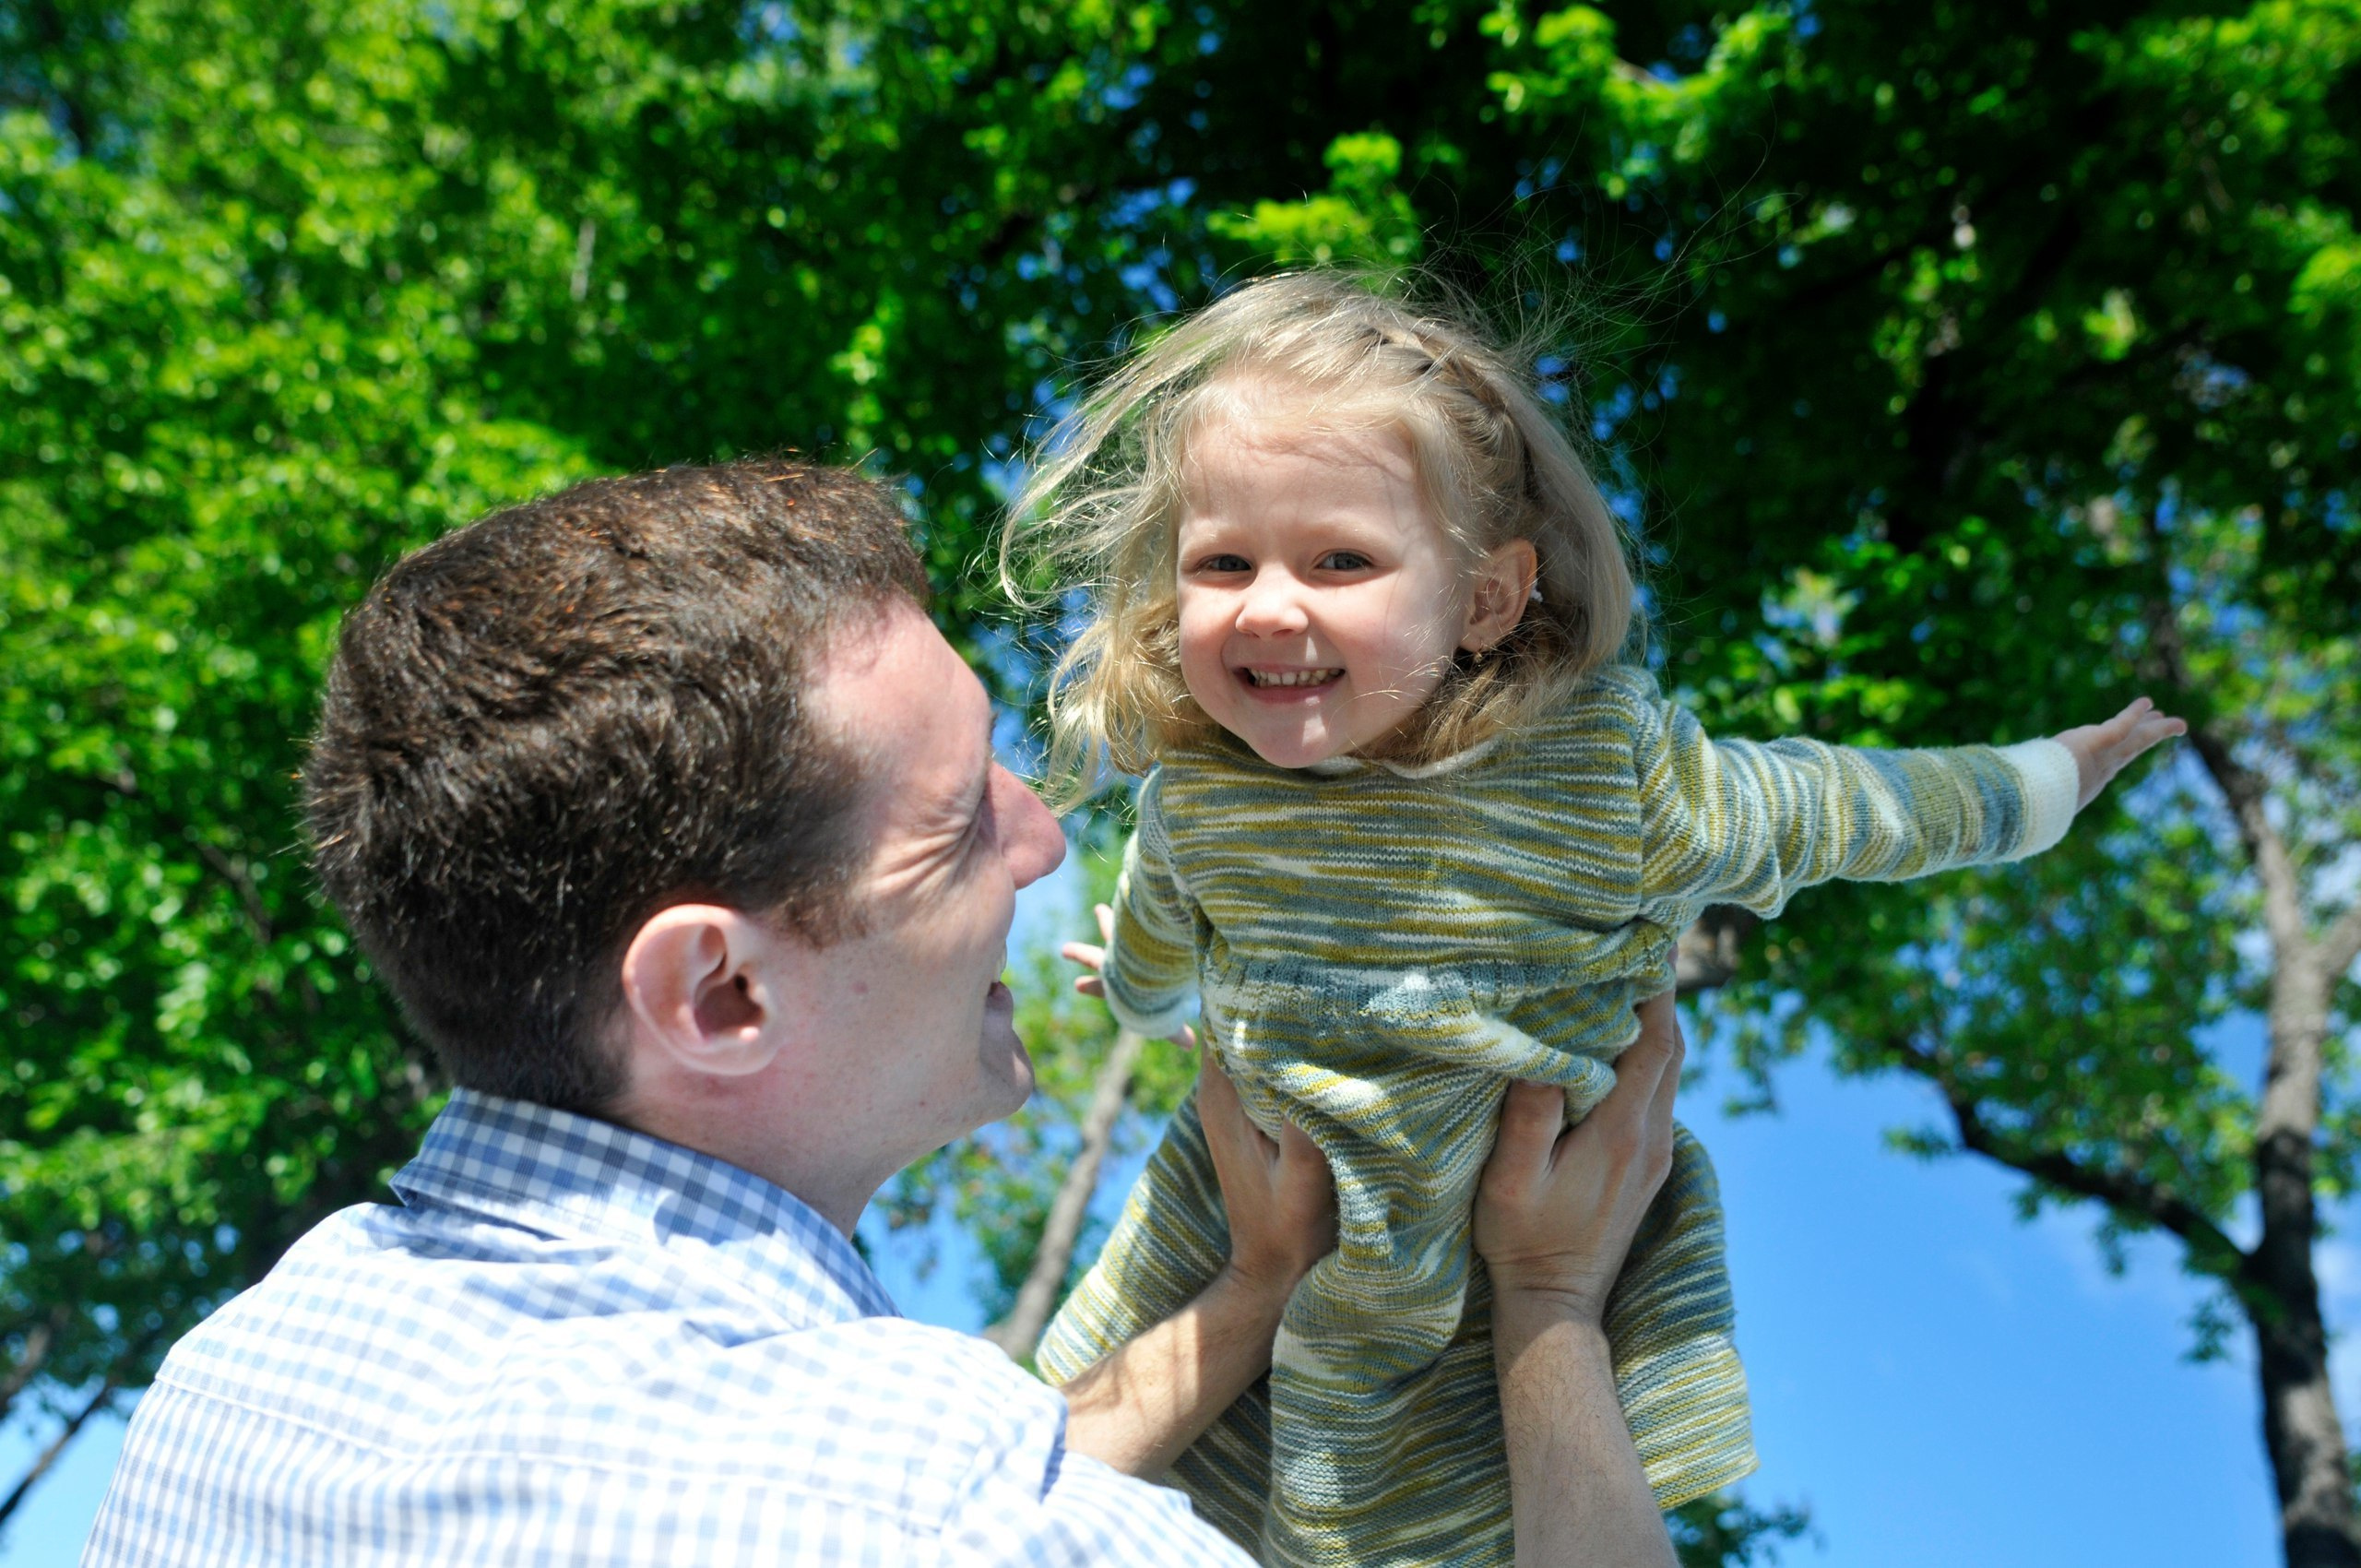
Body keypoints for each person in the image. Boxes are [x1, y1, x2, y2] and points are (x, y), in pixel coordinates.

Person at [82, 460, 1690, 1568]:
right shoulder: (915, 1505)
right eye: (959, 823)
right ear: (718, 993)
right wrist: (1549, 1314)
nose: (1044, 839)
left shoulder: (259, 1355)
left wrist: (1256, 1292)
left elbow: (916, 1485)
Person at [998, 271, 2187, 1567]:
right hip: (1252, 1231)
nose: (1270, 604)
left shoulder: (1603, 772)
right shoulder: (1201, 794)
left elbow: (1844, 805)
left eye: (1341, 558)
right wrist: (1132, 986)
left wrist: (2046, 781)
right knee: (1093, 1503)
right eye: (1224, 562)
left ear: (1487, 602)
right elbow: (1163, 954)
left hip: (1493, 1268)